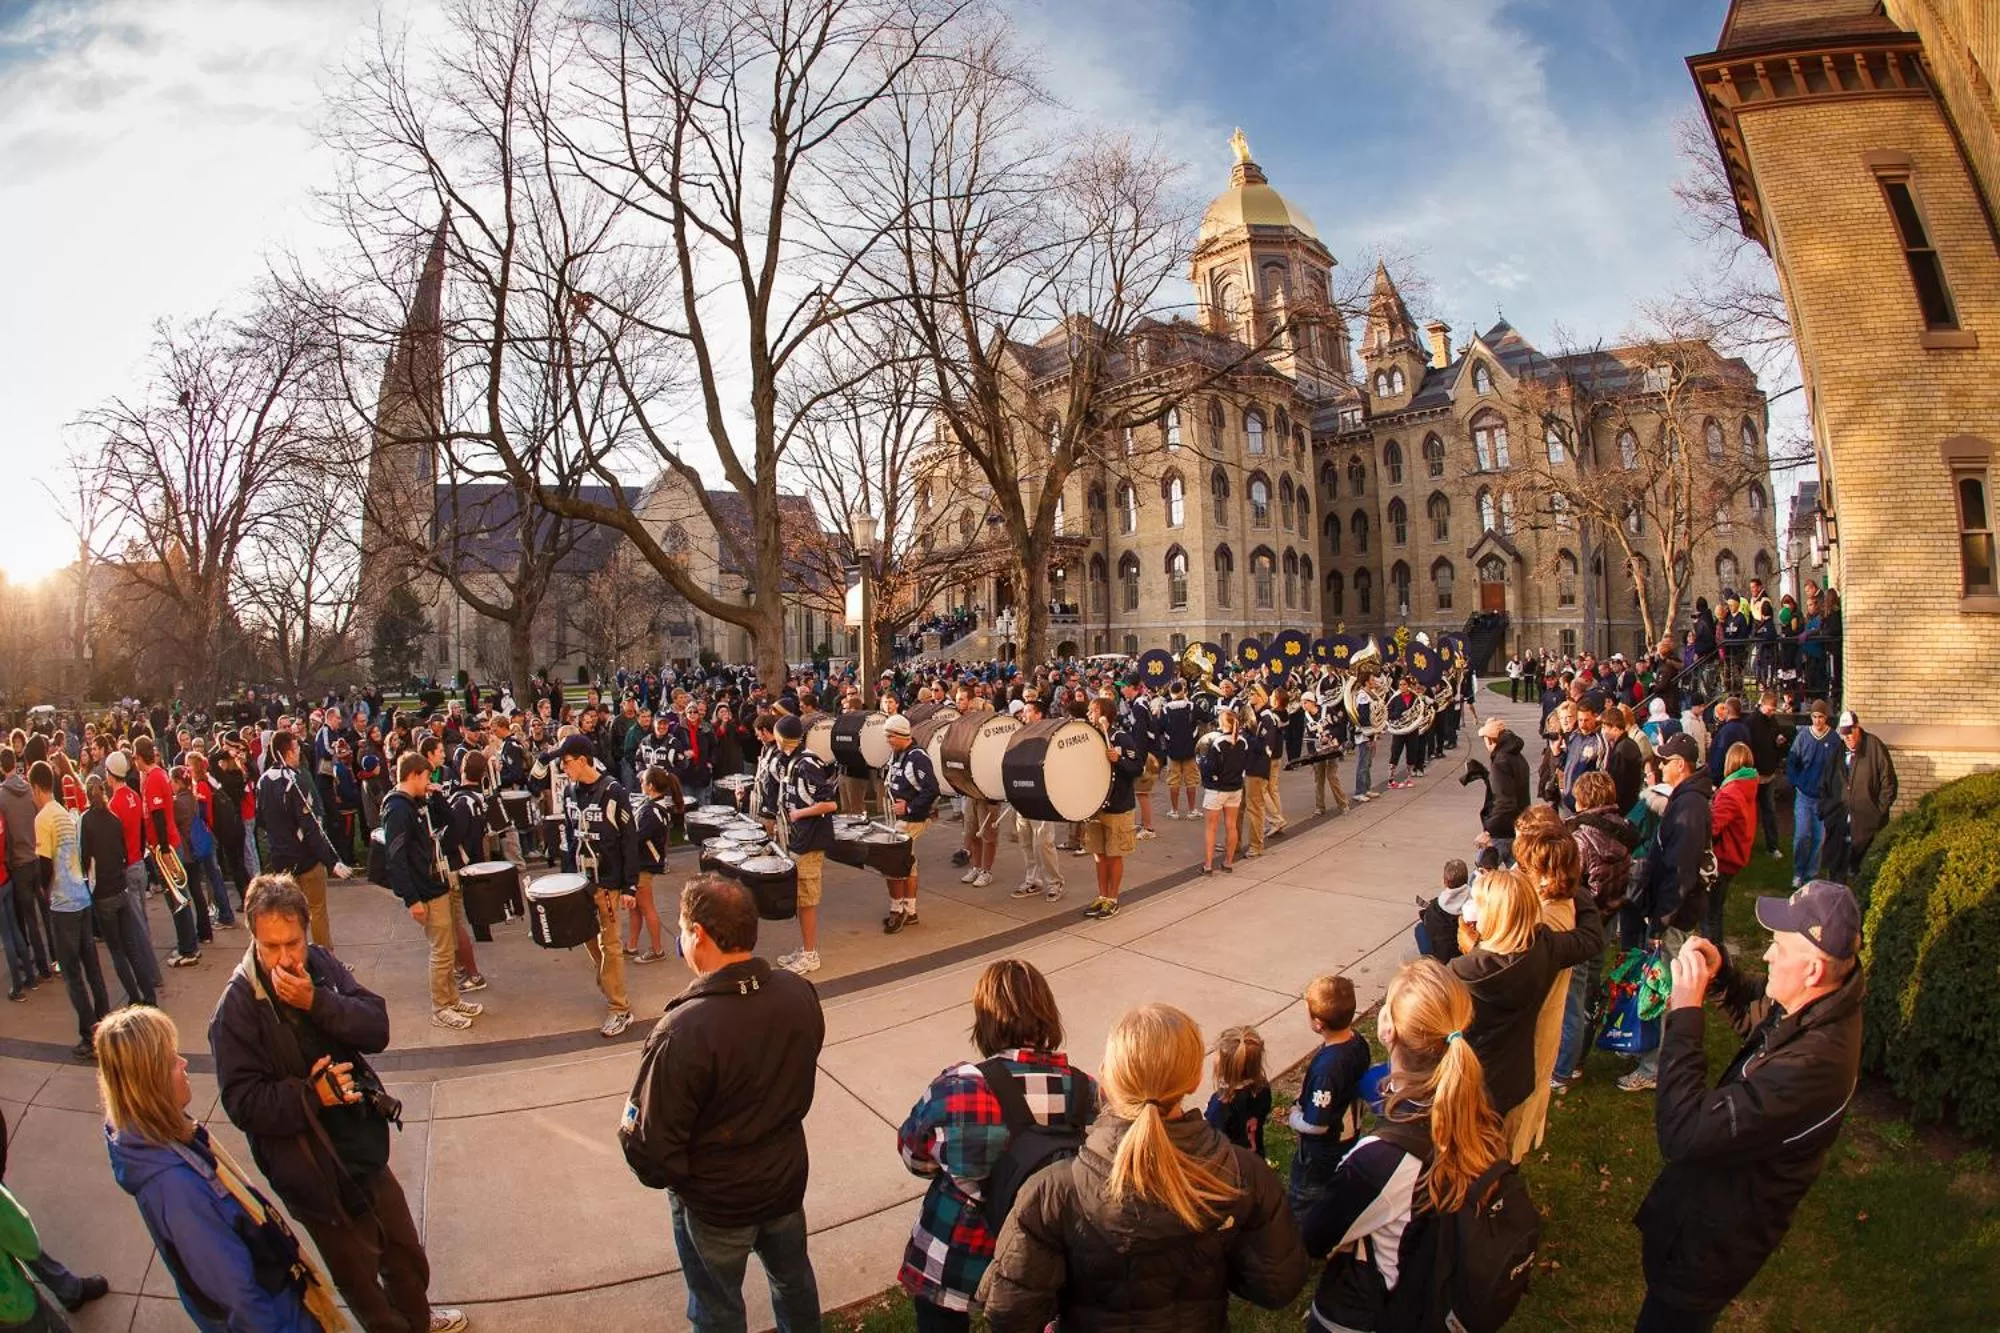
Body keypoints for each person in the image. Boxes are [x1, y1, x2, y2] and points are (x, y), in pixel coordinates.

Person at [210, 875, 467, 1333]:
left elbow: (376, 1025)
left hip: (360, 1150)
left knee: (405, 1255)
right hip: (311, 1174)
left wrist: (316, 1001)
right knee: (361, 1282)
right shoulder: (236, 1009)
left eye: (293, 943)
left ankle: (419, 1320)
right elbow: (241, 1102)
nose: (286, 958)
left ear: (307, 934)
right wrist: (312, 1095)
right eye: (271, 947)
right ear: (253, 939)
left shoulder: (321, 967)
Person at [977, 1003, 1306, 1330]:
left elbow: (1010, 1312)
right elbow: (1277, 1286)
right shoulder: (1242, 1175)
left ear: (1106, 1077)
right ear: (1196, 1078)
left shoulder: (1052, 1192)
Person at [1633, 883, 1866, 1332]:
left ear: (1814, 969)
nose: (1767, 956)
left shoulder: (1812, 1067)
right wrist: (1723, 978)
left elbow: (1683, 1134)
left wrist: (1685, 1015)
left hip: (1714, 1243)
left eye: (1778, 947)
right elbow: (1760, 1015)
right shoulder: (1817, 1006)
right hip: (1702, 1214)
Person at [620, 876, 825, 1333]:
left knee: (716, 1308)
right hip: (785, 1182)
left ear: (698, 934)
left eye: (680, 928)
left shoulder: (682, 1031)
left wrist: (684, 1185)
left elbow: (649, 1146)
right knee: (794, 1284)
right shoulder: (798, 993)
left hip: (715, 1204)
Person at [98, 1005, 342, 1332]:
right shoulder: (176, 1189)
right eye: (172, 1061)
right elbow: (236, 1294)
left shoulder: (167, 1140)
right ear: (151, 1082)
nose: (184, 1064)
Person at [1300, 959, 1508, 1333]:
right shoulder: (1476, 1101)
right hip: (1437, 1281)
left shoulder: (1381, 1160)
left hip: (1378, 1309)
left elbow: (1315, 1235)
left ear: (1388, 1030)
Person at [895, 959, 1096, 1332]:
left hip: (957, 1257)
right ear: (1048, 1014)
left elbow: (914, 1158)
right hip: (1040, 1258)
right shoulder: (1086, 1091)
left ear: (984, 1020)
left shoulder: (959, 1087)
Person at [1449, 862, 1603, 1144]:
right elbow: (1592, 938)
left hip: (1469, 1084)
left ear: (1494, 916)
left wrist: (1473, 952)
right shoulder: (1545, 948)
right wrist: (1571, 881)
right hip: (1515, 1078)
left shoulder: (1461, 973)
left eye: (1479, 904)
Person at [1621, 733, 1713, 1093]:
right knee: (1658, 984)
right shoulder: (1685, 799)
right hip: (1666, 911)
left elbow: (1680, 871)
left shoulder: (1690, 807)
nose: (1659, 765)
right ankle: (1651, 1051)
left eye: (1665, 760)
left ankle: (1655, 1065)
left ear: (1681, 765)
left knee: (1663, 988)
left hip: (1673, 916)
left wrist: (1662, 918)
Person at [379, 754, 482, 1033]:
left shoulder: (418, 802)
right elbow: (396, 857)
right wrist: (411, 899)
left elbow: (450, 820)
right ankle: (440, 1006)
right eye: (426, 777)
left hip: (439, 880)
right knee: (441, 951)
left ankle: (452, 998)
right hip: (425, 887)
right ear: (413, 775)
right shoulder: (398, 810)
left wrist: (435, 798)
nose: (429, 782)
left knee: (448, 948)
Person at [552, 734, 639, 1036]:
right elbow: (568, 838)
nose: (564, 769)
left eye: (566, 763)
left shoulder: (614, 792)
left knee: (610, 944)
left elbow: (629, 841)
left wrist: (630, 886)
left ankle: (620, 1008)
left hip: (608, 883)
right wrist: (565, 880)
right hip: (580, 882)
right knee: (589, 937)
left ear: (581, 760)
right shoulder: (569, 793)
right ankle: (609, 985)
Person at [30, 761, 108, 1061]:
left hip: (63, 904)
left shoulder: (43, 818)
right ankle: (104, 1024)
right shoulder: (65, 813)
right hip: (82, 898)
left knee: (73, 974)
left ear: (37, 788)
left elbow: (45, 865)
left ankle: (89, 1035)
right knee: (92, 968)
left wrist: (43, 891)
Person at [255, 731, 353, 950]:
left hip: (280, 859)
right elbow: (312, 826)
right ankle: (325, 962)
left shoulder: (262, 781)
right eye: (297, 749)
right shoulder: (296, 780)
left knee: (290, 914)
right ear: (289, 751)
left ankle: (294, 956)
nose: (299, 753)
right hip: (306, 858)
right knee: (316, 910)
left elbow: (261, 820)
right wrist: (331, 860)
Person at [1285, 974, 1372, 1223]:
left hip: (1322, 1152)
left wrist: (1294, 1118)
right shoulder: (1358, 1043)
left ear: (1319, 1023)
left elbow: (1317, 1124)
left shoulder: (1328, 1069)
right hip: (1348, 1137)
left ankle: (1303, 1238)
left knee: (1306, 1196)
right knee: (1337, 1190)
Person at [78, 775, 155, 1008]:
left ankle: (134, 995)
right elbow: (123, 850)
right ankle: (149, 995)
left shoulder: (86, 821)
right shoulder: (113, 819)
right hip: (119, 887)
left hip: (103, 892)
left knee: (117, 951)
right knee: (130, 947)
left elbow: (84, 857)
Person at [772, 714, 837, 975]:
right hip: (799, 838)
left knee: (807, 900)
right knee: (801, 898)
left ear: (784, 739)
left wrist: (798, 814)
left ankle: (811, 954)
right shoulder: (793, 762)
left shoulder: (806, 764)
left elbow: (830, 803)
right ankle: (805, 947)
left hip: (810, 839)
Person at [1082, 695, 1146, 920]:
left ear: (1105, 713)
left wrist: (1118, 760)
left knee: (1115, 854)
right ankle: (1101, 894)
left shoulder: (1121, 738)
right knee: (1099, 854)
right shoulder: (1090, 739)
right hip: (1096, 807)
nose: (1090, 715)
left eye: (1093, 710)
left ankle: (1113, 898)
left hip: (1118, 805)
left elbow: (1137, 768)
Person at [1821, 710, 1898, 884]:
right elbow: (1825, 784)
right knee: (1836, 875)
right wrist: (1826, 810)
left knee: (1862, 874)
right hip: (1839, 823)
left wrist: (1878, 812)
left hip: (1866, 826)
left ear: (1858, 728)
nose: (1847, 738)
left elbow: (1889, 783)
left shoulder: (1875, 747)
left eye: (1850, 733)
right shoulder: (1837, 752)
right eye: (1844, 735)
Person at [882, 712, 939, 933]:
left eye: (890, 737)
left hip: (910, 819)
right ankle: (908, 910)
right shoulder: (898, 754)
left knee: (896, 864)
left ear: (900, 735)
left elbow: (931, 789)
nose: (887, 741)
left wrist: (910, 807)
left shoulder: (917, 757)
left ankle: (899, 909)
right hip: (899, 819)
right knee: (905, 864)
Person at [1708, 740, 1759, 946]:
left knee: (1710, 916)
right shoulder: (1748, 785)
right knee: (1716, 912)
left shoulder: (1731, 792)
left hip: (1723, 858)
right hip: (1737, 855)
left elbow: (1713, 827)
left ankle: (1714, 961)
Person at [1784, 700, 1838, 889]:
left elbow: (1837, 769)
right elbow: (1792, 762)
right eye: (1814, 717)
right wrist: (1797, 782)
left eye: (1821, 717)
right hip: (1804, 795)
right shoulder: (1803, 737)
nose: (1817, 721)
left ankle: (1811, 874)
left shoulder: (1834, 740)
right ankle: (1798, 872)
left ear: (1826, 717)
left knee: (1818, 838)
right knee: (1802, 835)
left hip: (1823, 798)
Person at [1203, 1025, 1272, 1156]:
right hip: (1255, 1157)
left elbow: (1211, 1139)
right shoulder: (1262, 1089)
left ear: (1223, 1066)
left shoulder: (1221, 1104)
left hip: (1232, 1166)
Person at [627, 766, 673, 962]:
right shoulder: (656, 806)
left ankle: (657, 950)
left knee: (646, 908)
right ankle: (631, 945)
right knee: (635, 907)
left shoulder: (651, 811)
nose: (641, 784)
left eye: (644, 781)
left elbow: (636, 837)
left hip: (643, 864)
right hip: (643, 863)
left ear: (651, 786)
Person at [1197, 709, 1247, 875]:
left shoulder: (1218, 743)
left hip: (1217, 789)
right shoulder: (1243, 742)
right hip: (1235, 787)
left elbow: (1210, 767)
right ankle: (1228, 862)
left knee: (1211, 828)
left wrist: (1204, 770)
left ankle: (1209, 865)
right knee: (1231, 826)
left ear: (1222, 723)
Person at [1475, 717, 1529, 866]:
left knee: (1481, 876)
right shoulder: (1518, 757)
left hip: (1501, 831)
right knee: (1518, 875)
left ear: (1490, 740)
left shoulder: (1500, 762)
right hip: (1517, 826)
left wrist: (1489, 831)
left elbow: (1505, 802)